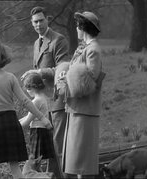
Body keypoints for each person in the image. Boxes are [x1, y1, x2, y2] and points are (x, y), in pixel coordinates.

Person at [0, 40, 52, 179]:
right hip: (10, 123)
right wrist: (43, 118)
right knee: (15, 169)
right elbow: (25, 101)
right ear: (4, 58)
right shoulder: (10, 77)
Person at [21, 6, 70, 178]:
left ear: (47, 19)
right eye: (35, 21)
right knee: (48, 150)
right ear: (32, 24)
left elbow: (64, 69)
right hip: (42, 104)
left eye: (41, 20)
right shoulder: (37, 43)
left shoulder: (59, 40)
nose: (39, 24)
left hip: (56, 101)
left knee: (58, 146)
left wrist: (38, 72)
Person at [59, 11, 104, 179]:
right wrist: (67, 75)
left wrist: (69, 76)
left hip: (85, 111)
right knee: (76, 161)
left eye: (78, 25)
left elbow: (91, 81)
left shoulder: (93, 50)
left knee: (83, 163)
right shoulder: (85, 48)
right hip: (78, 109)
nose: (76, 28)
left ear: (83, 28)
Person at [19, 72, 55, 167]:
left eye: (28, 88)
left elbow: (27, 121)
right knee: (44, 160)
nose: (27, 91)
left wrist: (13, 126)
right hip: (44, 131)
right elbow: (29, 117)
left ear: (33, 87)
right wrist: (17, 121)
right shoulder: (44, 98)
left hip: (37, 132)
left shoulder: (36, 101)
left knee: (35, 161)